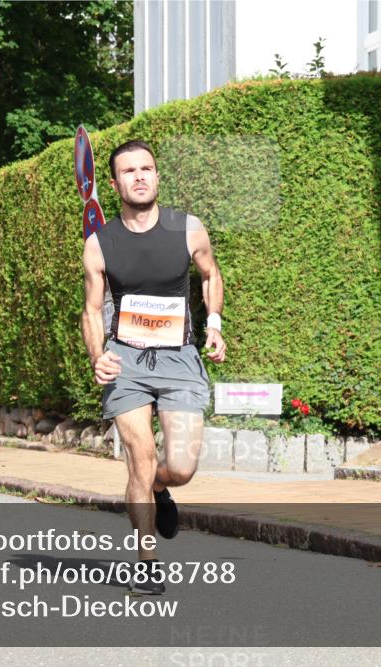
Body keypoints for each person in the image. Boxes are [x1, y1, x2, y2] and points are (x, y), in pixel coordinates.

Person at [80, 140, 226, 595]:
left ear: (157, 176)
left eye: (147, 168)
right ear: (115, 182)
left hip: (179, 358)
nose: (140, 176)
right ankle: (146, 562)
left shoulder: (188, 228)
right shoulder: (99, 243)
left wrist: (215, 324)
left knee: (180, 466)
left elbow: (211, 275)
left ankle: (162, 490)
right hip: (126, 362)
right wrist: (97, 355)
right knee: (140, 459)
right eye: (129, 171)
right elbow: (90, 310)